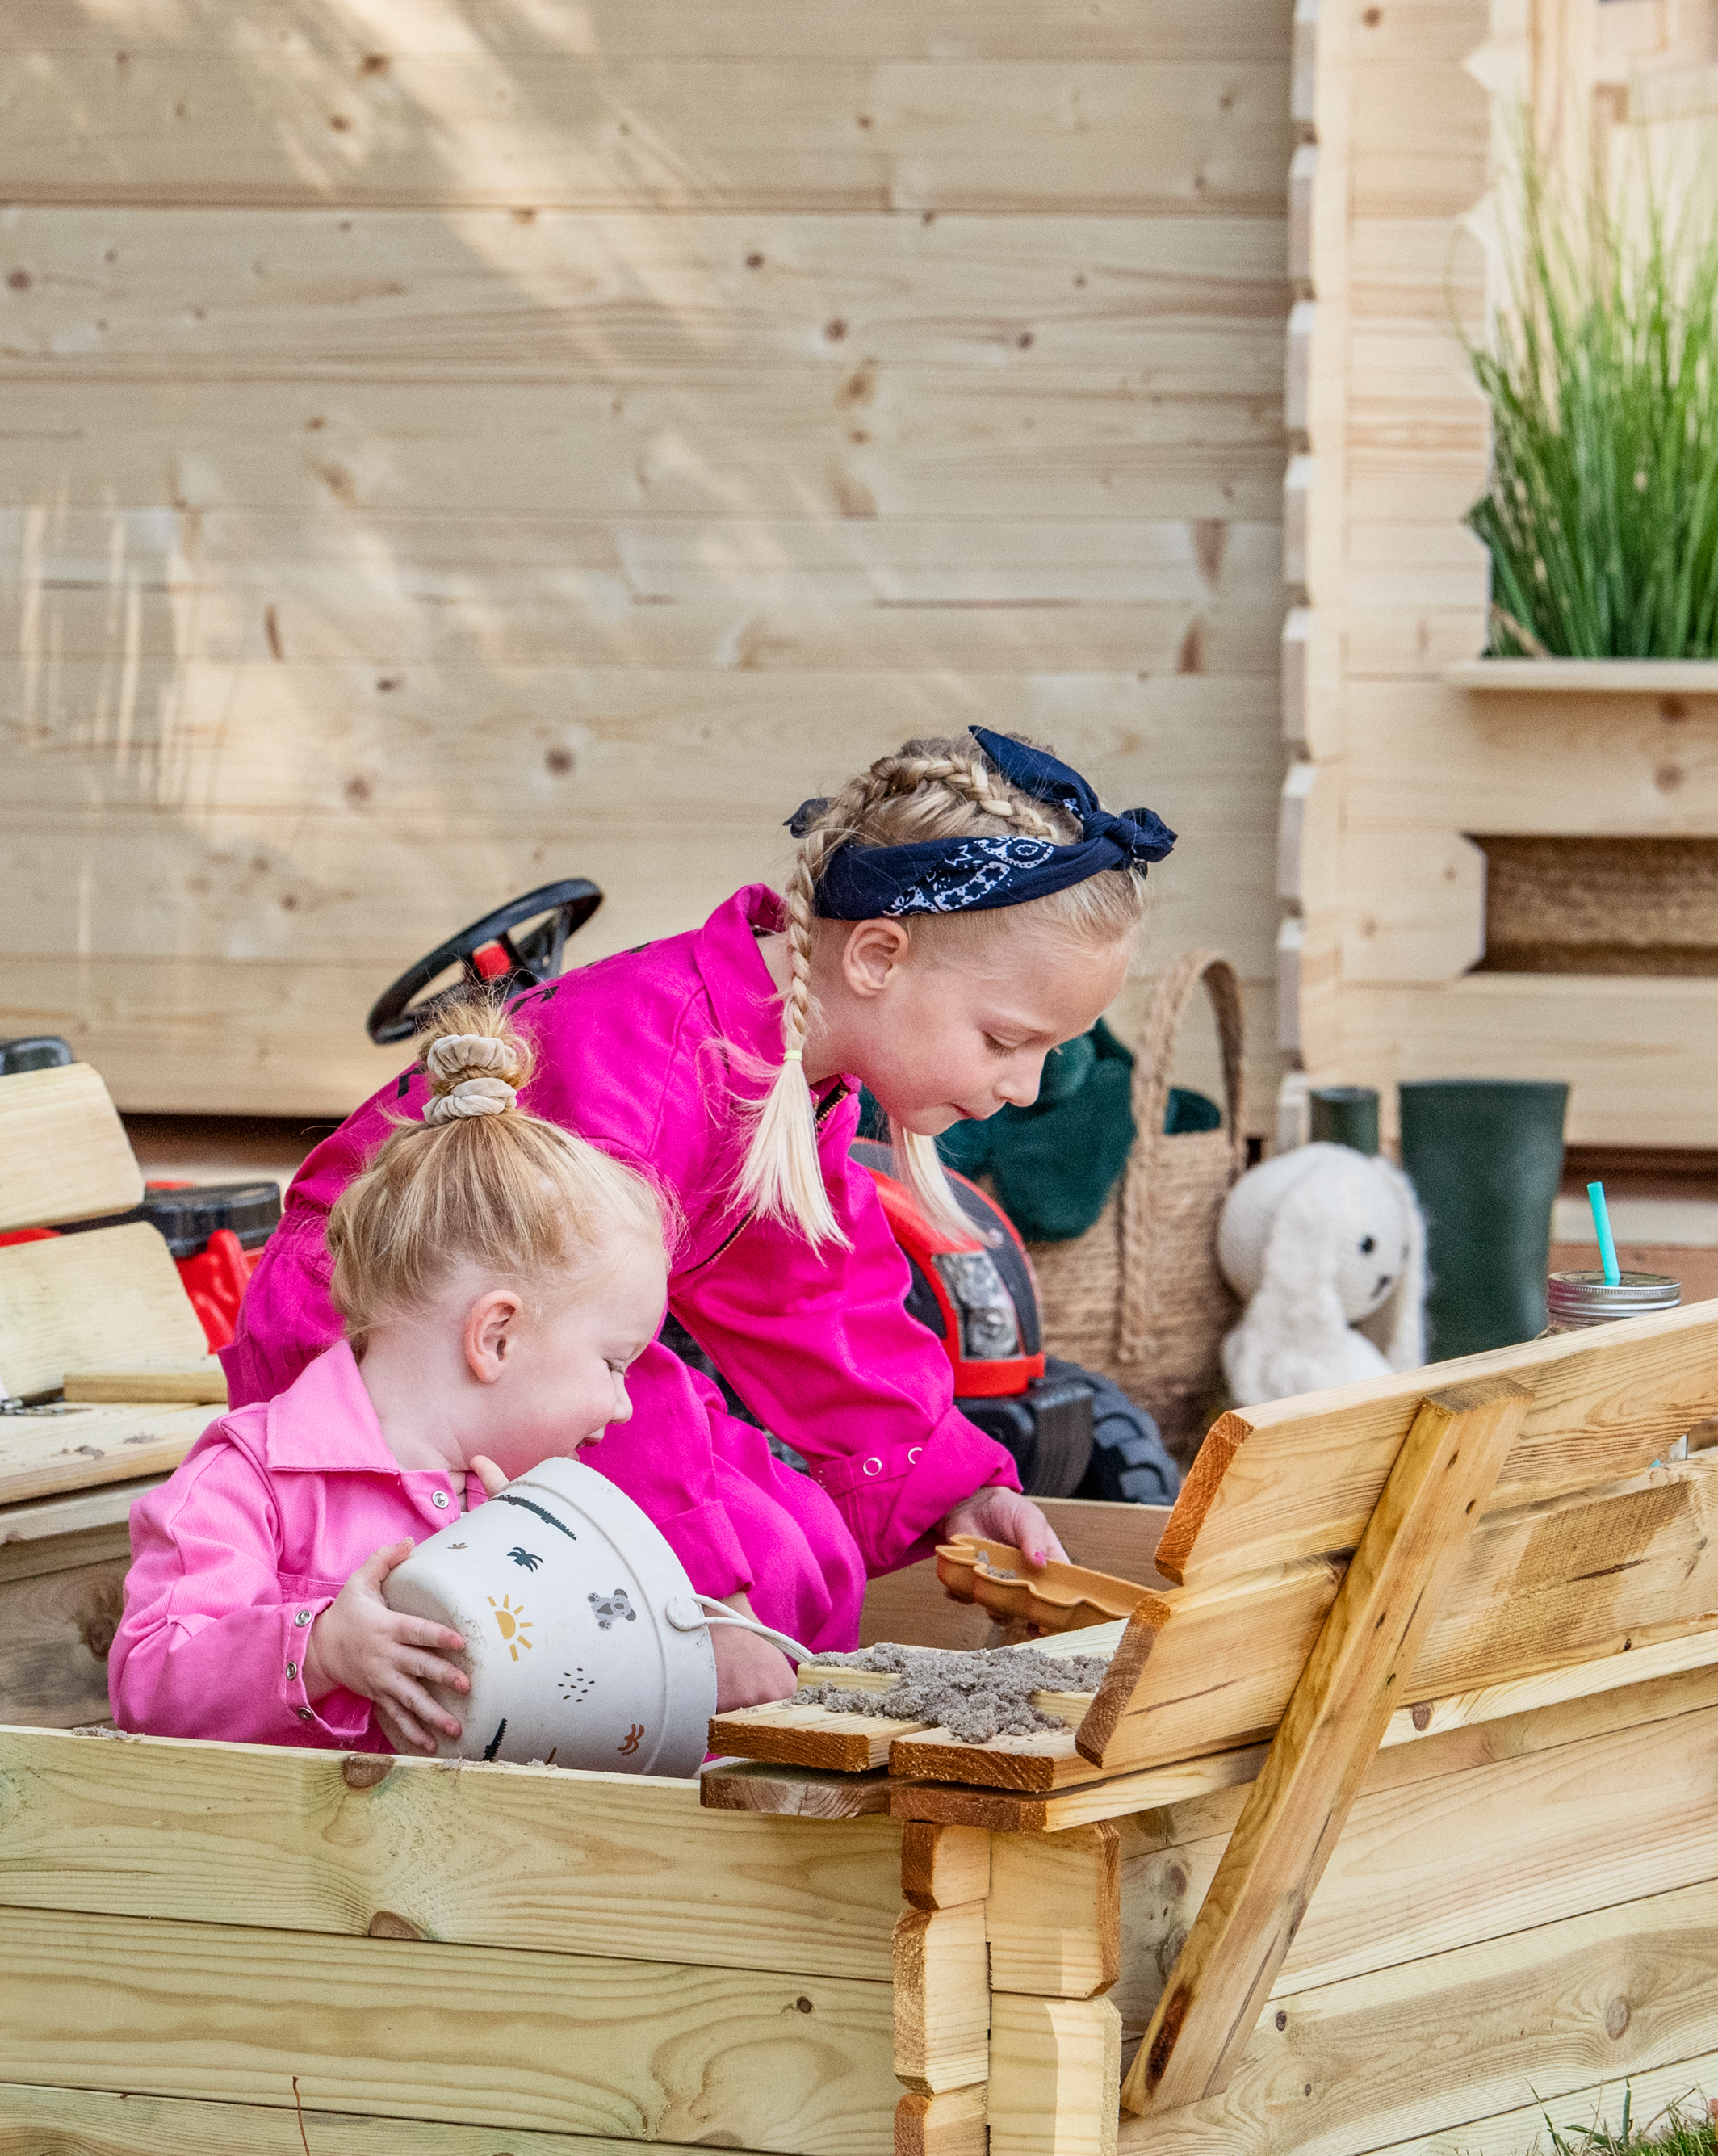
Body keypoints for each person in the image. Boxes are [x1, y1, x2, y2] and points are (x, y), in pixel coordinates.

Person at [221, 728, 1164, 1667]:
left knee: (798, 1544)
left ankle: (746, 1755)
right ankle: (654, 1777)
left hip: (554, 1357)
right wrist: (698, 1598)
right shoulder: (656, 1061)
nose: (1028, 1087)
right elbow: (551, 1345)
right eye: (1004, 1040)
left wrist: (950, 1488)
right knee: (716, 1571)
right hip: (387, 1340)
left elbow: (814, 1303)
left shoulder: (791, 1072)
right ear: (877, 957)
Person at [107, 992, 684, 1749]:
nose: (623, 1405)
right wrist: (321, 1651)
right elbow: (148, 1684)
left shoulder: (528, 1514)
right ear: (496, 1337)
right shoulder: (249, 1481)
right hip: (286, 1860)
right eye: (612, 1364)